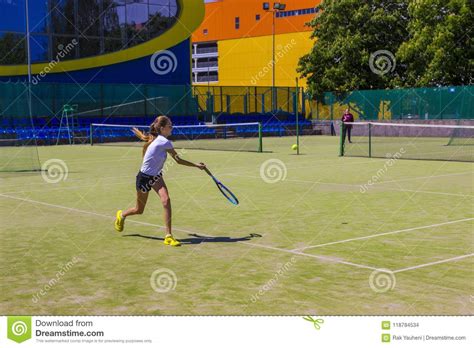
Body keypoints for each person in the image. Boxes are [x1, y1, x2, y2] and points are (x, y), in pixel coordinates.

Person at [114, 115, 206, 247]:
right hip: (144, 178)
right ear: (162, 128)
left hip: (156, 176)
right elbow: (178, 160)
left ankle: (168, 236)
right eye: (169, 126)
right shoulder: (164, 142)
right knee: (139, 210)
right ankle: (121, 215)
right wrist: (196, 165)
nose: (172, 128)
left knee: (166, 200)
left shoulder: (159, 139)